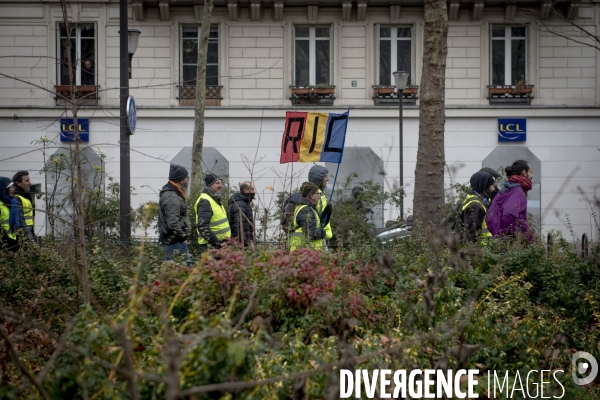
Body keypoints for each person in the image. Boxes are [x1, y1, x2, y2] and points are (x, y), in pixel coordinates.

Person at [485, 160, 534, 241]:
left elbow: (490, 216)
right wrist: (527, 235)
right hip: (510, 244)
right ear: (524, 172)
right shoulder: (517, 191)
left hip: (500, 242)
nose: (532, 176)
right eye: (531, 172)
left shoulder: (506, 189)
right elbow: (509, 214)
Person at [158, 164, 192, 265]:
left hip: (173, 242)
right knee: (185, 274)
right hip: (174, 243)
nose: (188, 180)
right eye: (187, 177)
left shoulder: (174, 194)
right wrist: (182, 237)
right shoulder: (172, 196)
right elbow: (172, 223)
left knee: (173, 276)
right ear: (181, 180)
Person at [195, 173, 231, 253]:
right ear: (209, 185)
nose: (220, 185)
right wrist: (217, 244)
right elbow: (202, 227)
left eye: (221, 183)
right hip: (211, 247)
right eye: (217, 183)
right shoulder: (205, 201)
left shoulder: (215, 199)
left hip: (218, 245)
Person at [288, 182, 327, 252]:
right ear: (312, 196)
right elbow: (311, 233)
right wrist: (323, 232)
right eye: (318, 194)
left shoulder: (301, 207)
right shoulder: (306, 210)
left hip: (300, 252)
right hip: (306, 254)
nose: (319, 196)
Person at [462, 171, 495, 243]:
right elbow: (472, 236)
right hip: (481, 250)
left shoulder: (475, 200)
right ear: (484, 185)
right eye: (492, 185)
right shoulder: (475, 205)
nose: (493, 189)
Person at [308, 165, 333, 245]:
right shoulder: (316, 195)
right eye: (325, 176)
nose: (328, 179)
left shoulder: (317, 194)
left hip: (320, 235)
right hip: (317, 237)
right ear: (318, 178)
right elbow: (316, 219)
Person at [228, 181, 255, 248]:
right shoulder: (240, 204)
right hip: (242, 242)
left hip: (245, 239)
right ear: (246, 191)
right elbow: (239, 224)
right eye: (252, 189)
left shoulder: (244, 202)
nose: (254, 192)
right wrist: (244, 243)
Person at [12, 171, 38, 243]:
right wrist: (30, 238)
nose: (30, 183)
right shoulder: (17, 198)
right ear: (18, 183)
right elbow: (21, 221)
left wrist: (33, 235)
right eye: (27, 181)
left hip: (28, 233)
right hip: (23, 236)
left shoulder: (26, 195)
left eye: (29, 180)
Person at [0, 177, 20, 252]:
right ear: (3, 189)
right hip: (4, 243)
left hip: (13, 241)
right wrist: (5, 238)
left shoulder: (11, 203)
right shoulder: (1, 205)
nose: (13, 189)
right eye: (10, 187)